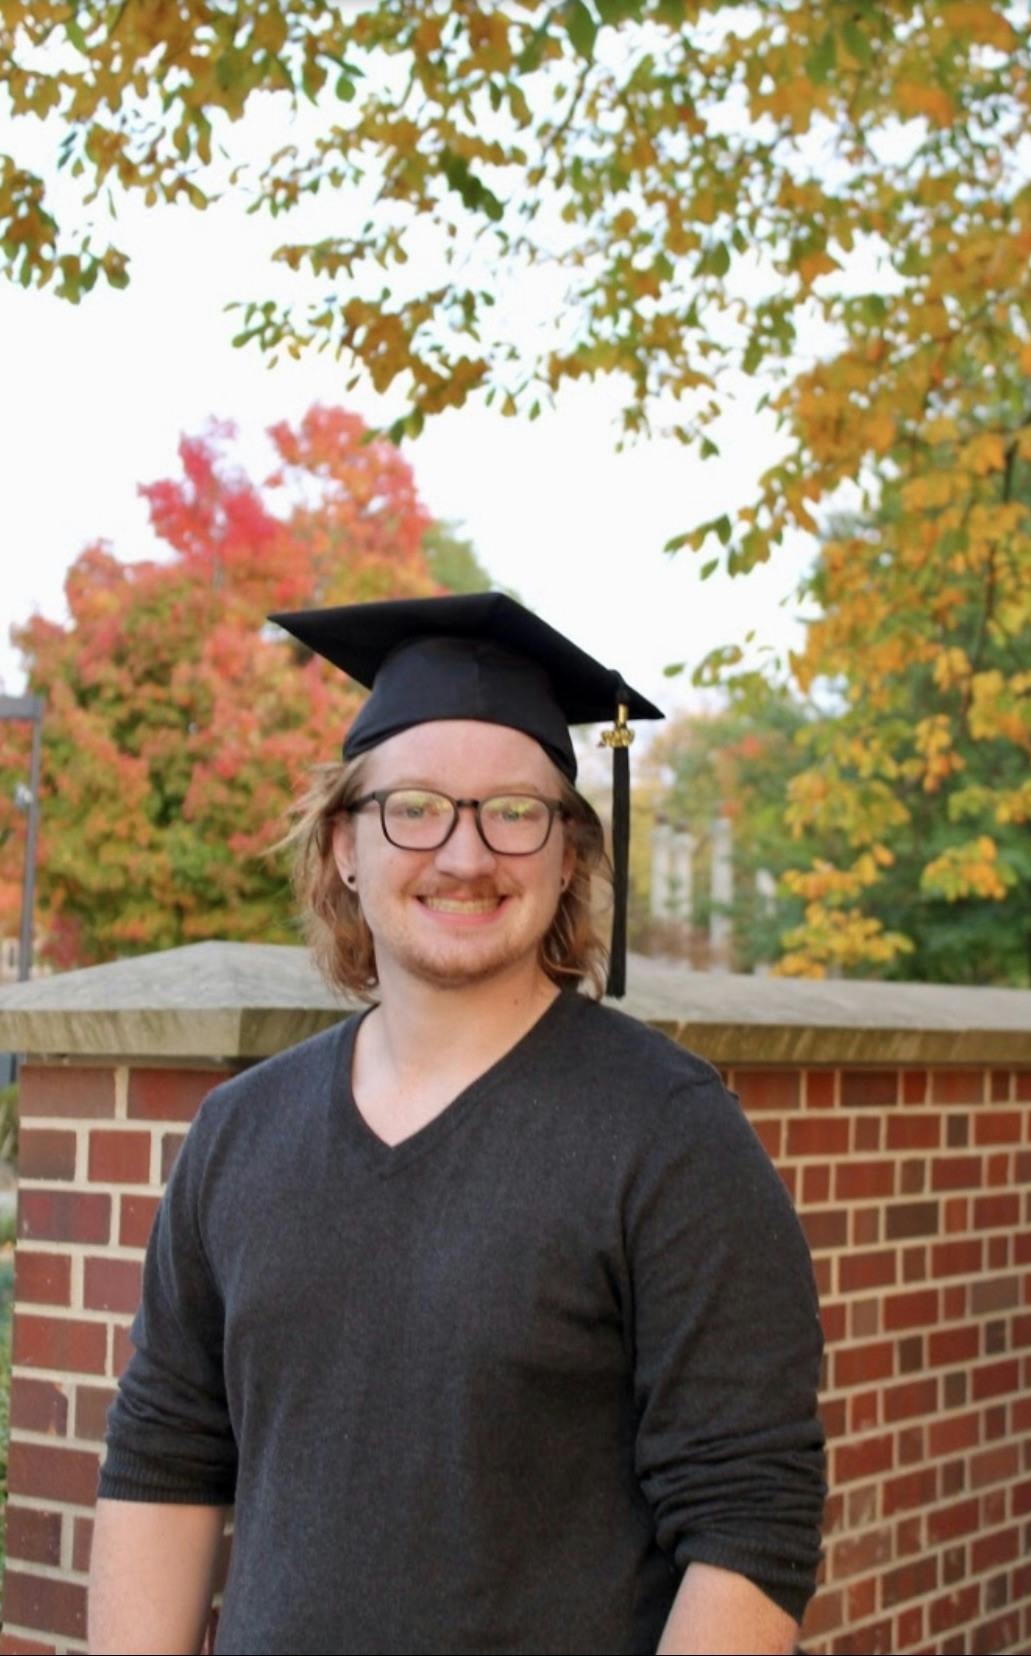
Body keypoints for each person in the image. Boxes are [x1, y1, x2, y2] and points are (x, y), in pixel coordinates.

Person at [89, 594, 826, 1655]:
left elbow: (751, 1519)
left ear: (568, 856)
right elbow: (167, 1454)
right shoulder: (238, 1133)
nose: (466, 854)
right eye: (416, 808)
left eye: (515, 812)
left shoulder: (671, 1137)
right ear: (345, 844)